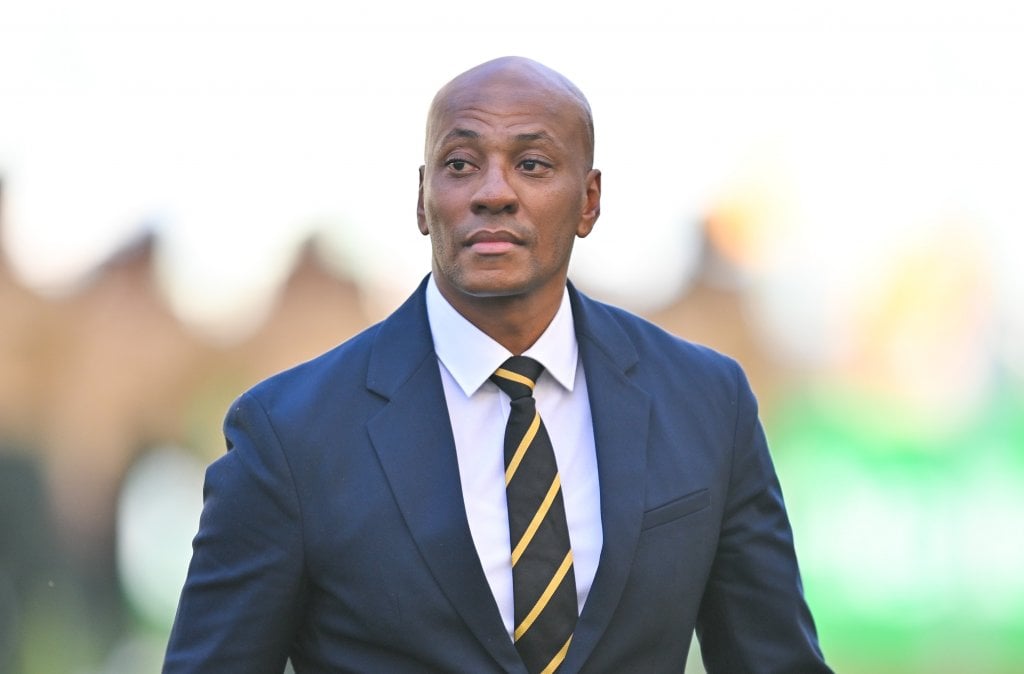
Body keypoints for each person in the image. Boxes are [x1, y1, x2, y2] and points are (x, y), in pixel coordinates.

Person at [164, 56, 831, 673]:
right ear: (423, 200)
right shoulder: (289, 436)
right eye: (460, 164)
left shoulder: (707, 404)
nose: (493, 192)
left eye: (533, 165)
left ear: (590, 201)